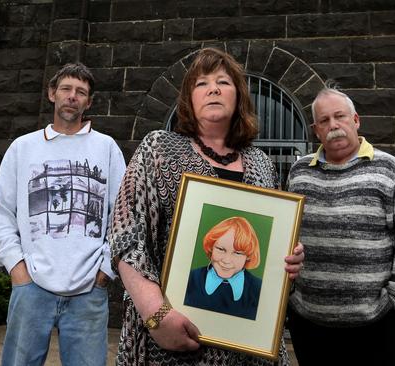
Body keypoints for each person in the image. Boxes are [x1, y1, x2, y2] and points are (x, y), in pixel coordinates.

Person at [108, 47, 304, 365]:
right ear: (189, 99)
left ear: (239, 96)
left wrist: (288, 262)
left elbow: (270, 255)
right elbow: (126, 236)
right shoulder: (159, 149)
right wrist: (156, 315)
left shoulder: (262, 164)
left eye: (223, 82)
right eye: (202, 83)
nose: (213, 88)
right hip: (169, 347)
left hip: (249, 350)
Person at [0, 62, 126, 366]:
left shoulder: (107, 148)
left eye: (81, 92)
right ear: (52, 94)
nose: (72, 96)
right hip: (31, 288)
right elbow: (0, 212)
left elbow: (123, 217)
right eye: (66, 89)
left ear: (88, 102)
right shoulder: (23, 148)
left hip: (88, 291)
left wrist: (105, 272)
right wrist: (17, 269)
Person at [285, 87, 395, 366]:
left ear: (356, 120)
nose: (333, 125)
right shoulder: (299, 172)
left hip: (375, 327)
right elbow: (287, 235)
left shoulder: (389, 169)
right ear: (316, 130)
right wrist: (289, 295)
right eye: (324, 121)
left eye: (339, 116)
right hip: (309, 325)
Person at [183, 216, 262, 320]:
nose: (226, 260)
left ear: (248, 256)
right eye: (221, 249)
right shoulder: (190, 279)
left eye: (237, 253)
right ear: (211, 248)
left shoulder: (259, 289)